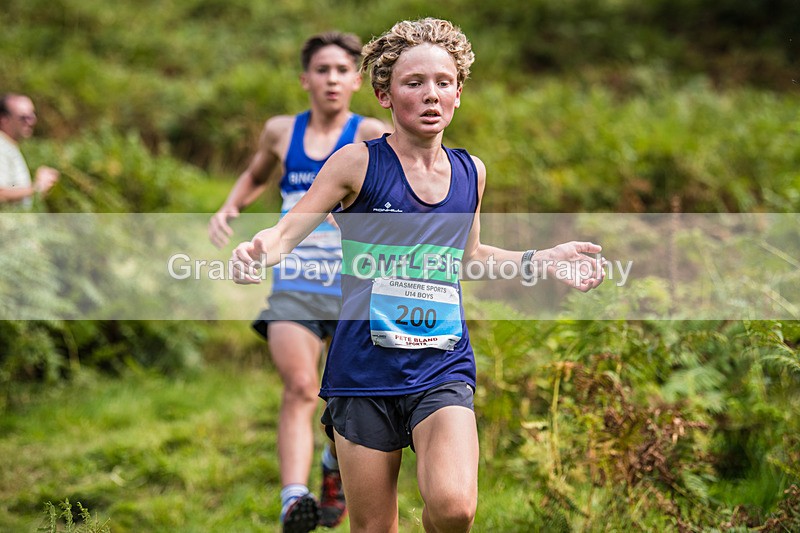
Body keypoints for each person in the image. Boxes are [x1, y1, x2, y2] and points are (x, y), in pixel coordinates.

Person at [231, 18, 605, 532]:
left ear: (458, 93)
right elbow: (286, 233)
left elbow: (467, 258)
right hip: (363, 373)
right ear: (384, 94)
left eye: (443, 82)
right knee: (373, 528)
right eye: (414, 83)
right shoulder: (356, 163)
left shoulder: (472, 171)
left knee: (454, 508)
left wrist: (540, 260)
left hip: (441, 365)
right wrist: (258, 250)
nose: (431, 94)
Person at [208, 32, 389, 532]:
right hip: (294, 282)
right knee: (300, 385)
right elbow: (256, 174)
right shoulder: (280, 132)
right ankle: (294, 500)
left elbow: (398, 191)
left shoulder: (370, 131)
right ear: (305, 78)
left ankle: (333, 467)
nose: (332, 79)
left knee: (347, 398)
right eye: (322, 69)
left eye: (341, 70)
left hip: (356, 287)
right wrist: (231, 204)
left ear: (357, 80)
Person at [0, 93, 59, 209]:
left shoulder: (9, 147)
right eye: (24, 117)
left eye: (32, 116)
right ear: (4, 120)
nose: (31, 122)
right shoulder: (1, 148)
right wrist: (38, 187)